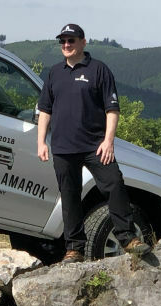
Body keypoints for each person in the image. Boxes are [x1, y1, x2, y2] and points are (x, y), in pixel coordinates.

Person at [36, 23, 149, 263]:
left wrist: (108, 141)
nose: (66, 45)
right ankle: (74, 249)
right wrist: (41, 142)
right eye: (63, 41)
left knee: (114, 184)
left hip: (94, 146)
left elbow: (112, 109)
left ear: (83, 42)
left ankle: (128, 238)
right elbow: (45, 110)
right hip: (63, 148)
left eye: (71, 40)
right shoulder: (54, 73)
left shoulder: (99, 70)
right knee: (70, 196)